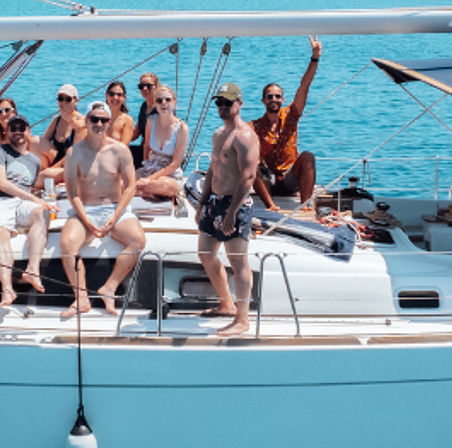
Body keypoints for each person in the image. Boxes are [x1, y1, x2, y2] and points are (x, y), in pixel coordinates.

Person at [58, 100, 145, 318]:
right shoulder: (73, 153)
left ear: (109, 122)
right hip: (85, 209)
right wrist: (86, 220)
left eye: (103, 120)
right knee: (67, 244)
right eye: (94, 119)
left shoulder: (121, 151)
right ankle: (81, 298)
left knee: (138, 241)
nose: (99, 123)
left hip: (114, 208)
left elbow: (130, 187)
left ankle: (109, 288)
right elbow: (72, 193)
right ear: (86, 121)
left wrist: (115, 217)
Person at [198, 83, 259, 337]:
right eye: (219, 102)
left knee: (238, 261)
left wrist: (233, 212)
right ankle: (226, 303)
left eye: (228, 102)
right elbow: (213, 169)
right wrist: (202, 201)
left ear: (239, 104)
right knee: (205, 252)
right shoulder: (218, 134)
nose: (223, 107)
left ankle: (242, 319)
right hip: (215, 201)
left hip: (236, 204)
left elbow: (248, 177)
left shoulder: (245, 136)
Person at [0, 114, 58, 307]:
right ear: (7, 132)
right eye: (13, 128)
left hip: (21, 202)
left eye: (21, 128)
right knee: (0, 232)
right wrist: (34, 198)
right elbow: (1, 183)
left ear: (28, 132)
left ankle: (32, 269)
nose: (18, 132)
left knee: (42, 214)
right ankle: (7, 289)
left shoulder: (34, 161)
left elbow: (28, 187)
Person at [252, 36, 322, 211]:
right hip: (266, 181)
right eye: (269, 96)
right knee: (252, 161)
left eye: (277, 96)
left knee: (307, 157)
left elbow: (304, 86)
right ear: (263, 101)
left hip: (290, 179)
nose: (273, 99)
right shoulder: (253, 127)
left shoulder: (291, 115)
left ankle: (305, 206)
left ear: (283, 99)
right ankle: (271, 206)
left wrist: (314, 58)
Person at [133, 84, 189, 201]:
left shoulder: (182, 128)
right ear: (155, 104)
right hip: (151, 167)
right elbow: (147, 147)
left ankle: (140, 190)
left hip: (169, 174)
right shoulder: (150, 121)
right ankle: (146, 192)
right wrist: (146, 167)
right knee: (121, 182)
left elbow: (175, 164)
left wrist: (149, 180)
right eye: (159, 100)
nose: (164, 103)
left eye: (167, 100)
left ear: (174, 102)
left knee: (164, 185)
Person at [38, 83, 83, 189]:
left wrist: (51, 169)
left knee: (44, 176)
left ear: (75, 101)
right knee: (35, 141)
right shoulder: (56, 121)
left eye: (68, 99)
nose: (63, 103)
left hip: (72, 165)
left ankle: (39, 183)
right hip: (57, 160)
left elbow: (74, 154)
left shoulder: (80, 122)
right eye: (60, 99)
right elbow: (42, 143)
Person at [130, 72, 161, 163]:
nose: (145, 89)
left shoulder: (160, 108)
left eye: (149, 86)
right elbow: (135, 134)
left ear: (156, 86)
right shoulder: (144, 106)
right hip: (144, 149)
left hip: (156, 153)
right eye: (141, 86)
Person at [105, 80, 137, 145]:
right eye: (112, 94)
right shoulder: (99, 118)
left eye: (119, 95)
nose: (115, 97)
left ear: (124, 98)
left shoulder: (127, 120)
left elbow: (124, 146)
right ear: (106, 96)